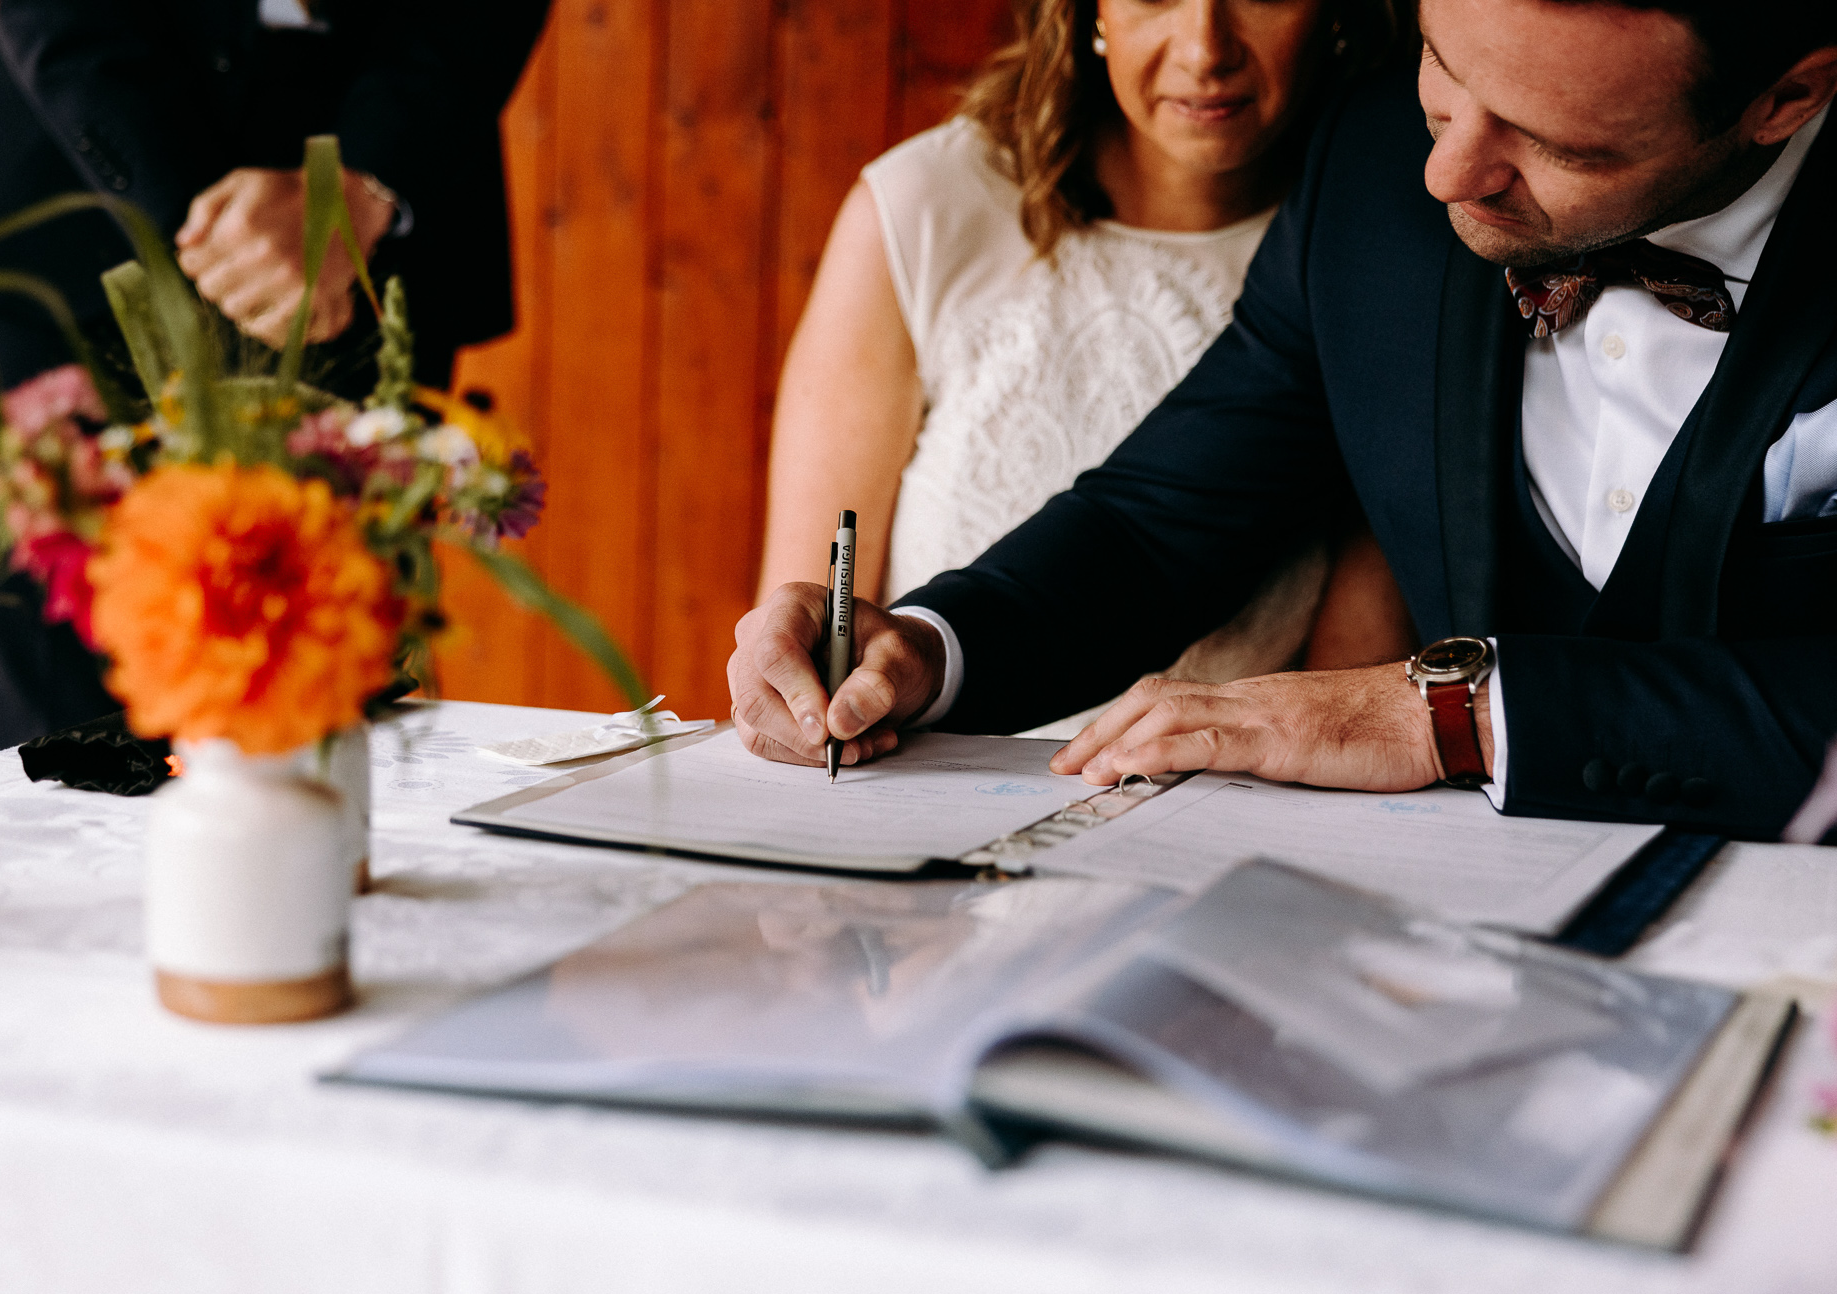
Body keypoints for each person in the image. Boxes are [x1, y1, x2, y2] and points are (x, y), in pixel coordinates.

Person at [729, 0, 1837, 840]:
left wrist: (1447, 715)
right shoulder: (1365, 168)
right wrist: (927, 646)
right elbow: (1161, 518)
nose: (1445, 173)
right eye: (1441, 80)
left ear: (1785, 98)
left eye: (1561, 146)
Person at [0, 0, 550, 754]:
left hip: (373, 225)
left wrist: (366, 179)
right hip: (70, 203)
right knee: (61, 744)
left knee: (329, 714)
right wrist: (213, 236)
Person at [760, 0, 1418, 729]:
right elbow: (805, 638)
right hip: (915, 783)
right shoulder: (924, 210)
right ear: (1084, 10)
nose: (1206, 50)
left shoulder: (1385, 244)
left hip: (1232, 817)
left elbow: (1352, 693)